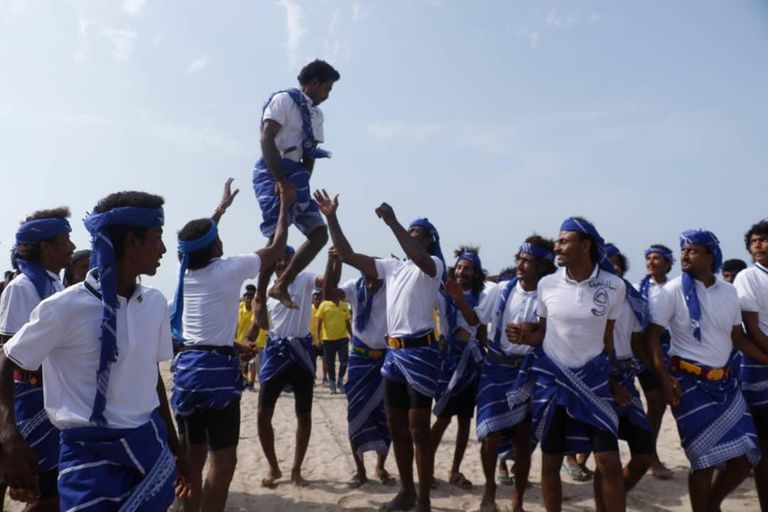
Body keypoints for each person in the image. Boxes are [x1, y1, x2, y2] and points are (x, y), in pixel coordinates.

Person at [0, 191, 190, 511]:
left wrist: (174, 445)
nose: (163, 249)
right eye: (157, 237)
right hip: (87, 457)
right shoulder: (64, 307)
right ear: (132, 241)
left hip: (147, 449)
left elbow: (150, 377)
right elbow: (7, 357)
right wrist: (7, 432)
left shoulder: (154, 304)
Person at [314, 189, 442, 512]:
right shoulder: (391, 268)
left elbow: (419, 257)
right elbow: (346, 253)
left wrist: (394, 222)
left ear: (429, 240)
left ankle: (424, 499)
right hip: (393, 355)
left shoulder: (433, 266)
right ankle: (406, 491)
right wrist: (331, 217)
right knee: (397, 427)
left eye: (418, 234)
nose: (411, 236)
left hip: (420, 353)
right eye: (410, 232)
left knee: (418, 430)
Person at [170, 178, 292, 512]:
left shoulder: (185, 273)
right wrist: (286, 204)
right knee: (222, 464)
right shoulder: (228, 268)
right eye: (217, 238)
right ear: (213, 247)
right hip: (215, 377)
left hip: (187, 372)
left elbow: (196, 243)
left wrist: (220, 209)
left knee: (193, 457)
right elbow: (278, 247)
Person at [507, 217, 628, 512]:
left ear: (585, 245)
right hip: (554, 382)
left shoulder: (613, 286)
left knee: (609, 462)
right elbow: (543, 332)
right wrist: (526, 333)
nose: (557, 247)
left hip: (595, 382)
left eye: (564, 241)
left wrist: (614, 382)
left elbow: (608, 339)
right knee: (550, 461)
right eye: (558, 241)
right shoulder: (547, 284)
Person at [646, 229, 767, 512]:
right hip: (687, 383)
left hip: (725, 383)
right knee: (703, 461)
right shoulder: (673, 289)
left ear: (710, 256)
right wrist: (662, 377)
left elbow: (738, 338)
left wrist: (765, 359)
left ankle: (710, 506)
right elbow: (651, 335)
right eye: (683, 250)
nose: (685, 255)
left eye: (692, 250)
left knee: (746, 458)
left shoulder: (729, 291)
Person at [252, 59, 340, 326]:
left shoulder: (317, 115)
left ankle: (282, 284)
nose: (327, 95)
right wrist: (280, 180)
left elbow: (310, 153)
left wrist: (303, 183)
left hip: (297, 174)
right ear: (314, 83)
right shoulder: (284, 100)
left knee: (319, 234)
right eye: (327, 89)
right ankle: (259, 297)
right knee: (277, 237)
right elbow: (267, 138)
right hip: (273, 169)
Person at [0, 207, 75, 511]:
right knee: (41, 493)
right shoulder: (22, 287)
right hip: (29, 402)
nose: (71, 246)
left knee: (49, 493)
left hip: (50, 400)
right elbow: (7, 354)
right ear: (46, 247)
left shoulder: (54, 283)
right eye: (65, 240)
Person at [474, 236, 556, 512]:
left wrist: (531, 333)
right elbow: (478, 321)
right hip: (495, 370)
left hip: (528, 372)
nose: (520, 264)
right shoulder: (501, 290)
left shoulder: (550, 296)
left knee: (523, 441)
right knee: (489, 435)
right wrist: (460, 299)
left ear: (542, 266)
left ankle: (518, 499)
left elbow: (554, 335)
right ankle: (489, 490)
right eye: (519, 259)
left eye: (527, 261)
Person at [322, 247, 396, 488]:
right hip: (360, 360)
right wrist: (332, 263)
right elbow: (329, 295)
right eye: (368, 273)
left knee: (387, 416)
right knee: (355, 414)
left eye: (375, 273)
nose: (372, 279)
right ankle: (360, 470)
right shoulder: (355, 286)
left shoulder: (392, 288)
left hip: (386, 360)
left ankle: (381, 466)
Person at [254, 245, 324, 488]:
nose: (282, 264)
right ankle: (274, 467)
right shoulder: (267, 290)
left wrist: (334, 261)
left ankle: (296, 469)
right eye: (279, 260)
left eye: (287, 259)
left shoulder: (304, 279)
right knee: (263, 415)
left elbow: (325, 281)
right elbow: (257, 326)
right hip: (274, 353)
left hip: (301, 353)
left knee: (303, 415)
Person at [601, 243, 654, 511]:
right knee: (605, 458)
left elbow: (638, 345)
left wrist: (662, 376)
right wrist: (609, 384)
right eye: (608, 263)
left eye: (617, 264)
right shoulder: (589, 299)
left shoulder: (631, 301)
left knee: (644, 455)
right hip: (596, 379)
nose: (613, 268)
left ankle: (612, 498)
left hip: (626, 379)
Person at [430, 247, 488, 490]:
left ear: (475, 274)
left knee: (465, 421)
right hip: (448, 363)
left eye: (469, 268)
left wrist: (460, 299)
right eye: (460, 267)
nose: (463, 272)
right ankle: (427, 468)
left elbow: (476, 323)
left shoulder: (482, 297)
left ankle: (455, 470)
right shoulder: (442, 294)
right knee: (442, 419)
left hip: (470, 364)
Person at [731, 219, 768, 511]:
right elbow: (751, 329)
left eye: (764, 239)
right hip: (758, 365)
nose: (759, 245)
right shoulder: (748, 277)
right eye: (754, 241)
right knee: (762, 450)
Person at [635, 243, 676, 479]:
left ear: (668, 263)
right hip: (642, 351)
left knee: (671, 403)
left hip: (672, 350)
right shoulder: (637, 289)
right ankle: (650, 456)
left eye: (657, 258)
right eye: (648, 258)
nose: (651, 262)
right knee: (656, 402)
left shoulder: (676, 288)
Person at [316, 286, 352, 394]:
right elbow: (319, 323)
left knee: (344, 361)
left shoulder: (344, 306)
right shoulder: (324, 305)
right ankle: (332, 385)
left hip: (342, 338)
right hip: (328, 339)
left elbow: (347, 323)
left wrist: (352, 335)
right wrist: (318, 338)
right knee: (330, 364)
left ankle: (340, 381)